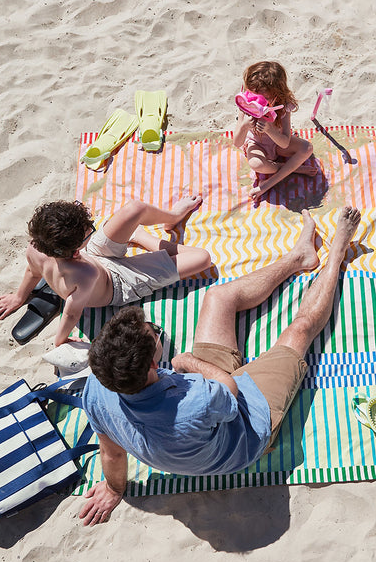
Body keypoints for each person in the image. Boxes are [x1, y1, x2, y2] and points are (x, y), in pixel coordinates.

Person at [78, 207, 361, 526]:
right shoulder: (194, 403)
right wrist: (187, 362)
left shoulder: (97, 389)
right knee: (299, 329)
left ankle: (299, 258)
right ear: (153, 364)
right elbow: (228, 387)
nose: (154, 329)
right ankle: (337, 253)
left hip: (198, 402)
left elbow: (113, 453)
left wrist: (115, 489)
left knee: (218, 297)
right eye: (153, 334)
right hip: (248, 425)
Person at [0, 196, 211, 346]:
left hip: (93, 255)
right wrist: (60, 340)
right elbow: (71, 312)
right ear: (76, 248)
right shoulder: (86, 276)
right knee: (202, 258)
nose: (93, 228)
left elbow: (32, 271)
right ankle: (145, 238)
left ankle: (171, 217)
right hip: (119, 283)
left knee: (136, 208)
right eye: (90, 231)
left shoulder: (36, 247)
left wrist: (19, 297)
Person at [232, 61, 316, 201]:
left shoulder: (283, 107)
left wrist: (270, 130)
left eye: (264, 99)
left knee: (307, 148)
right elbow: (237, 142)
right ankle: (291, 168)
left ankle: (267, 184)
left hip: (277, 144)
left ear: (277, 94)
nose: (258, 102)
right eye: (254, 96)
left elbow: (284, 143)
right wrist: (244, 126)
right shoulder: (247, 105)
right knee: (257, 164)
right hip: (256, 144)